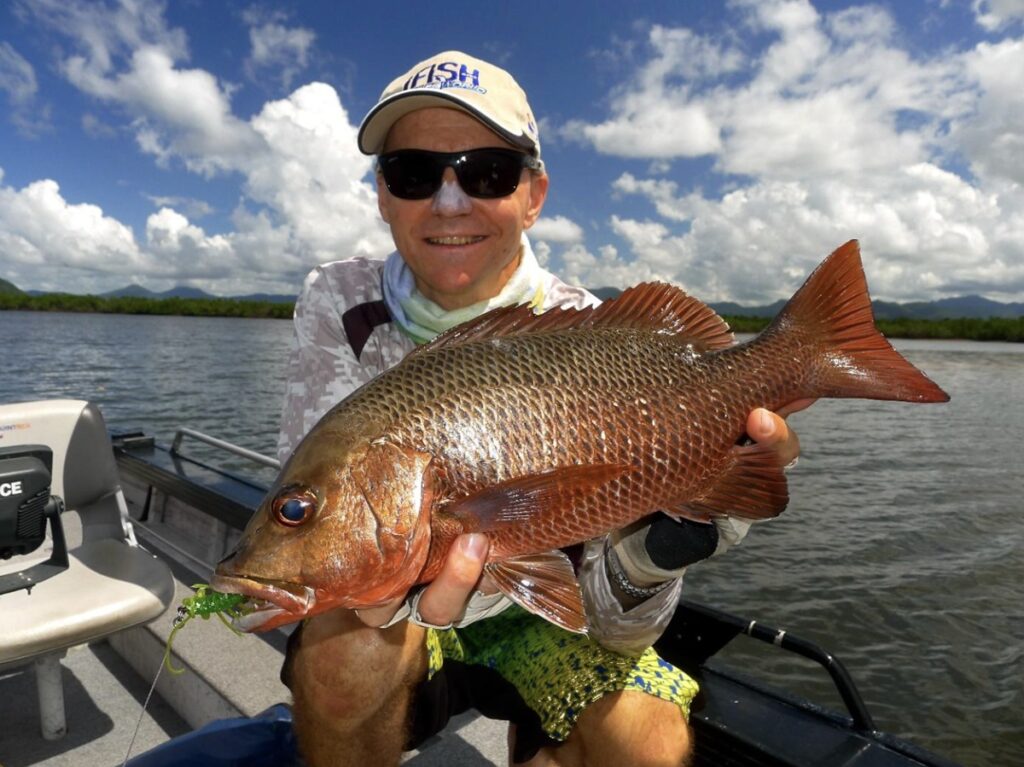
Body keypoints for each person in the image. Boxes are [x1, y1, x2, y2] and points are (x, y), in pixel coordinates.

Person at [276, 51, 805, 767]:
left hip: (548, 617)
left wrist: (658, 552)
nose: (450, 202)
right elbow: (327, 513)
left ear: (535, 195)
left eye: (488, 172)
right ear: (382, 195)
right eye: (413, 173)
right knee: (338, 666)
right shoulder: (337, 300)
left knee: (648, 745)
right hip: (386, 602)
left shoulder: (594, 332)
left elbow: (615, 628)